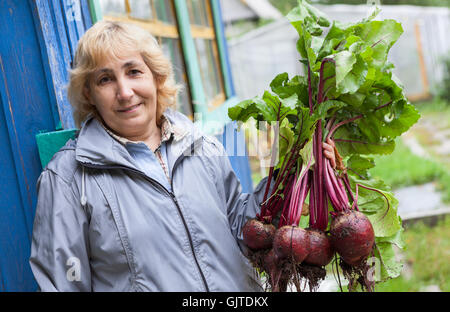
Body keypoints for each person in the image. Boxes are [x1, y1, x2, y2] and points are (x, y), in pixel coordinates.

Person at [29, 20, 336, 292]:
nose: (124, 92)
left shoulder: (199, 145)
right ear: (89, 94)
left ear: (155, 77)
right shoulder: (69, 178)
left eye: (134, 72)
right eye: (105, 80)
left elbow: (241, 230)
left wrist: (296, 172)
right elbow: (62, 282)